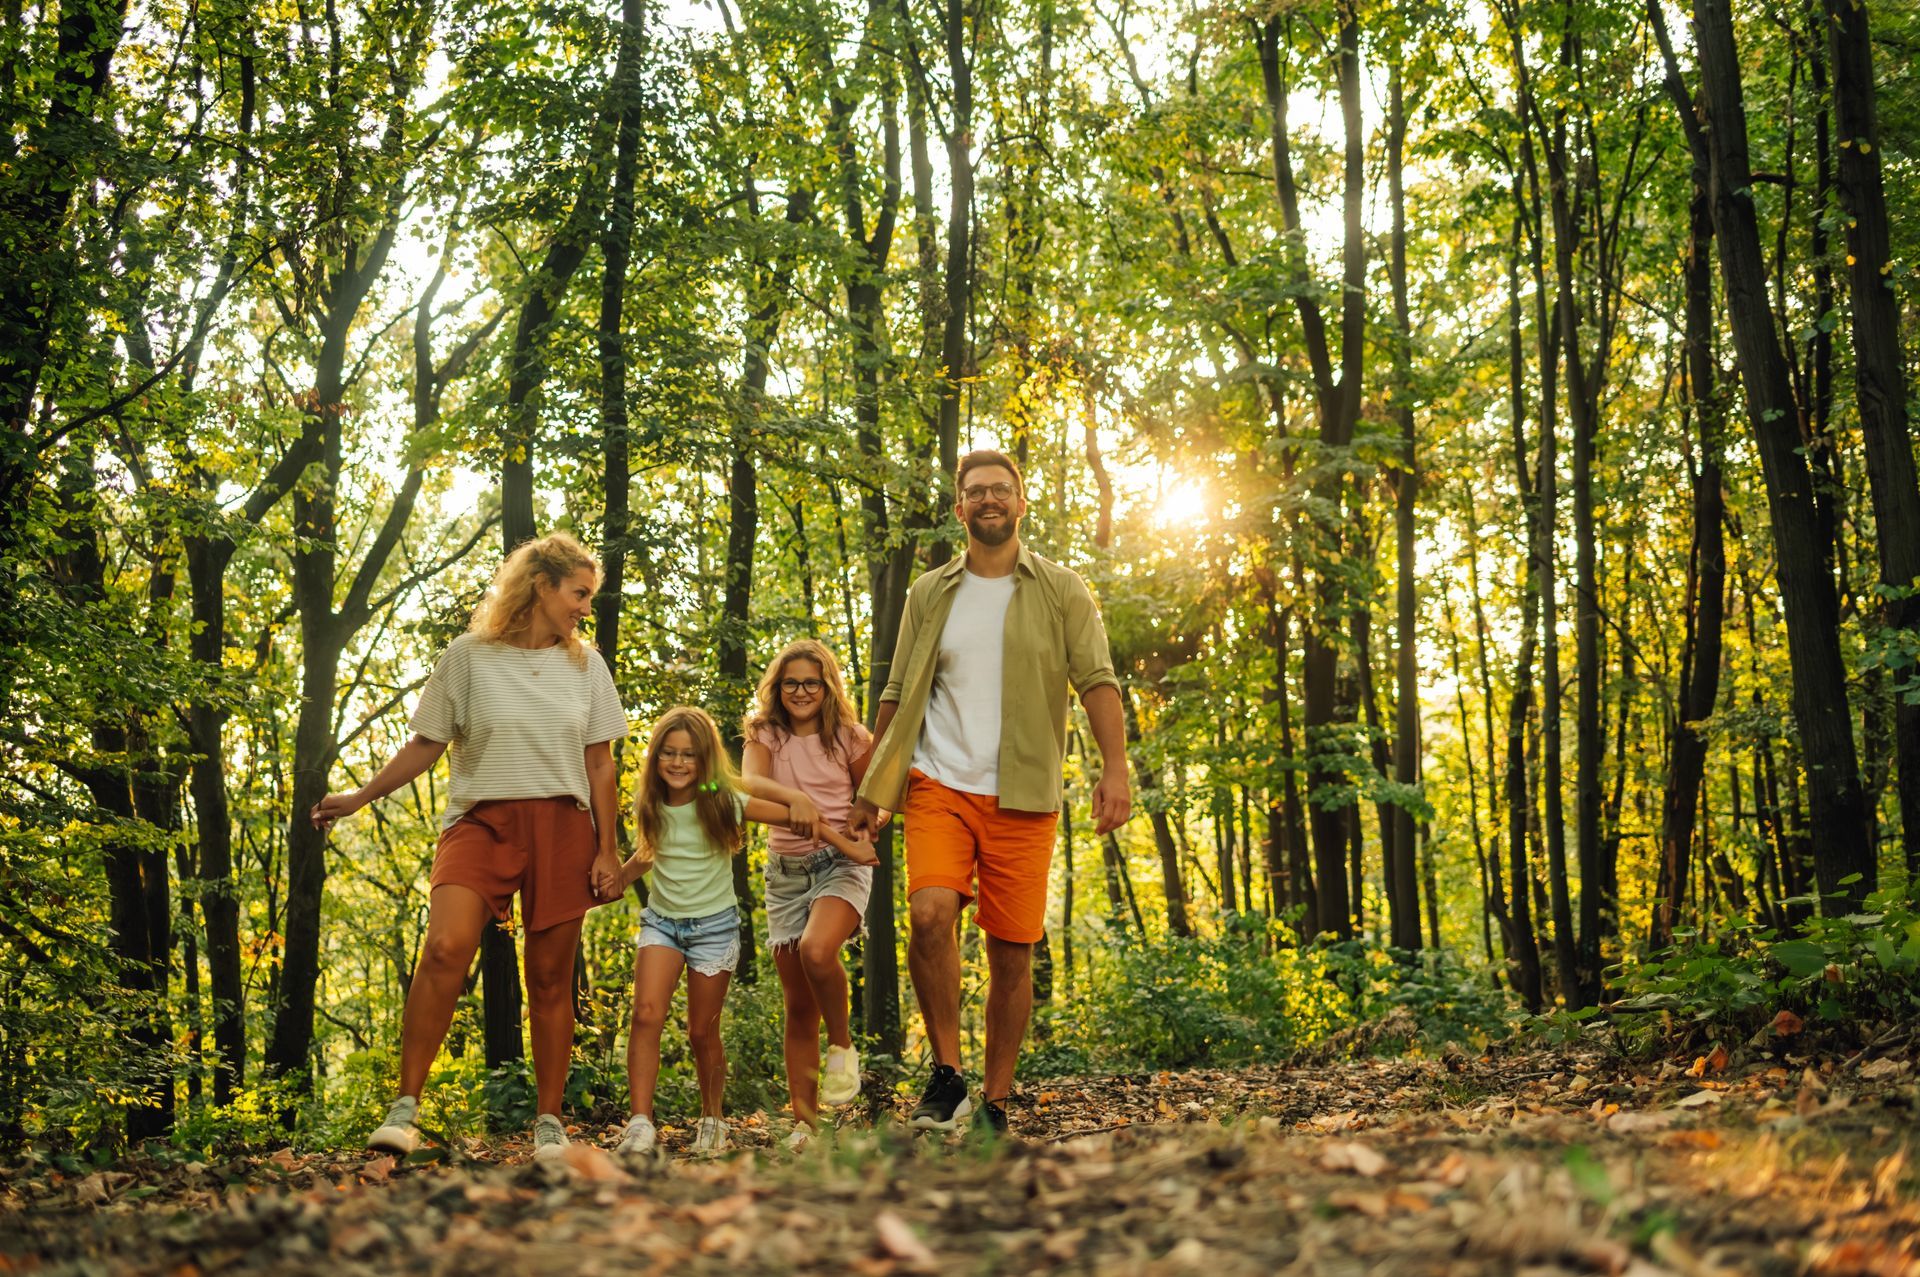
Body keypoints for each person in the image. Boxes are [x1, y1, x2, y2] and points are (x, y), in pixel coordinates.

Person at [310, 531, 628, 1164]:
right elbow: (427, 744)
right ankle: (405, 1110)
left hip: (564, 824)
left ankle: (548, 1121)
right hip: (480, 820)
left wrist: (608, 849)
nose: (586, 608)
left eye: (590, 598)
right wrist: (360, 795)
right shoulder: (468, 656)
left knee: (548, 977)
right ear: (542, 586)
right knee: (446, 946)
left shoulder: (588, 666)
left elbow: (601, 765)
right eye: (579, 594)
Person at [848, 448, 1132, 1138]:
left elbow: (1097, 680)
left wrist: (1114, 769)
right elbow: (894, 691)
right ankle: (947, 1074)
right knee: (929, 914)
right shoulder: (928, 593)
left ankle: (996, 1100)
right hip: (937, 781)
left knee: (1012, 953)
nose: (989, 499)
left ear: (1021, 502)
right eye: (975, 491)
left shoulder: (1062, 589)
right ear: (959, 509)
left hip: (1024, 793)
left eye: (1001, 489)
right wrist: (871, 789)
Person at [610, 706, 874, 1157]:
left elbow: (799, 820)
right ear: (655, 758)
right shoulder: (651, 800)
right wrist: (615, 878)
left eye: (688, 755)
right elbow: (651, 851)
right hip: (662, 923)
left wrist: (847, 842)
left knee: (701, 1031)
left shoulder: (719, 797)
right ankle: (640, 1123)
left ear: (705, 760)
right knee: (646, 1013)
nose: (677, 763)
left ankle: (712, 1119)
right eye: (668, 754)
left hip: (713, 928)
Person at [741, 639, 875, 1147]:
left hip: (841, 862)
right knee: (798, 1006)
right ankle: (804, 1123)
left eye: (811, 683)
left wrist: (867, 828)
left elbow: (873, 801)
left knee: (819, 951)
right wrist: (793, 796)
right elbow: (750, 782)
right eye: (791, 682)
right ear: (778, 688)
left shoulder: (848, 737)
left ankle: (842, 1046)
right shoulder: (765, 735)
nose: (800, 691)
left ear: (827, 687)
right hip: (786, 874)